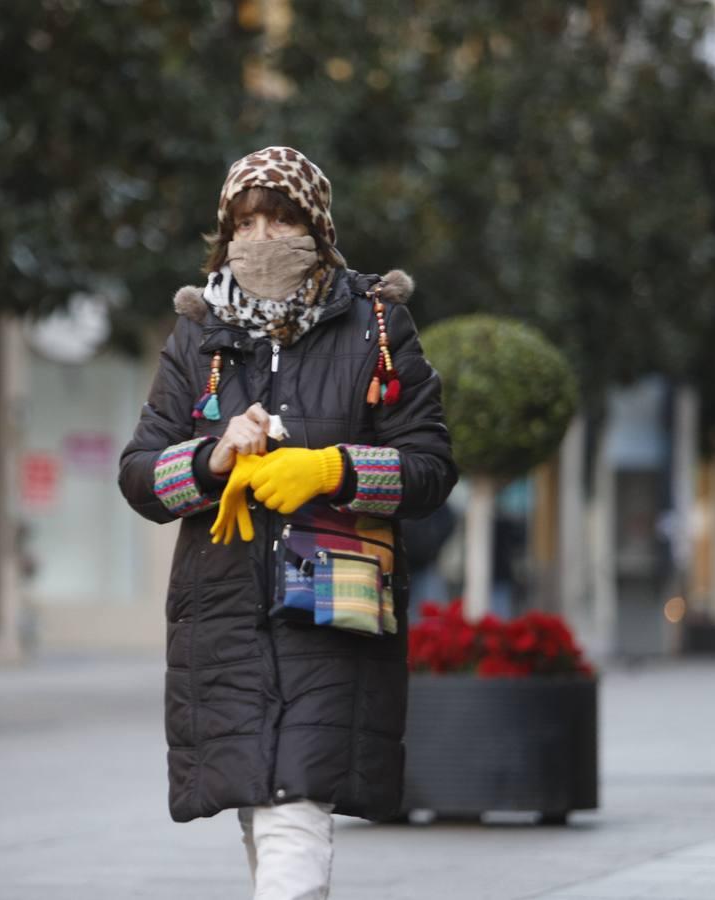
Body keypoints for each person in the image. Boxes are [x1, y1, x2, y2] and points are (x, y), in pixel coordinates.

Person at [118, 147, 457, 899]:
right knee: (264, 810)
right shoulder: (198, 336)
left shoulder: (376, 325)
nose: (262, 237)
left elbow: (431, 468)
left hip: (331, 611)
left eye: (281, 218)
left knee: (296, 804)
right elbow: (139, 477)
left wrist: (333, 468)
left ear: (317, 226)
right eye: (246, 221)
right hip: (224, 619)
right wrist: (211, 461)